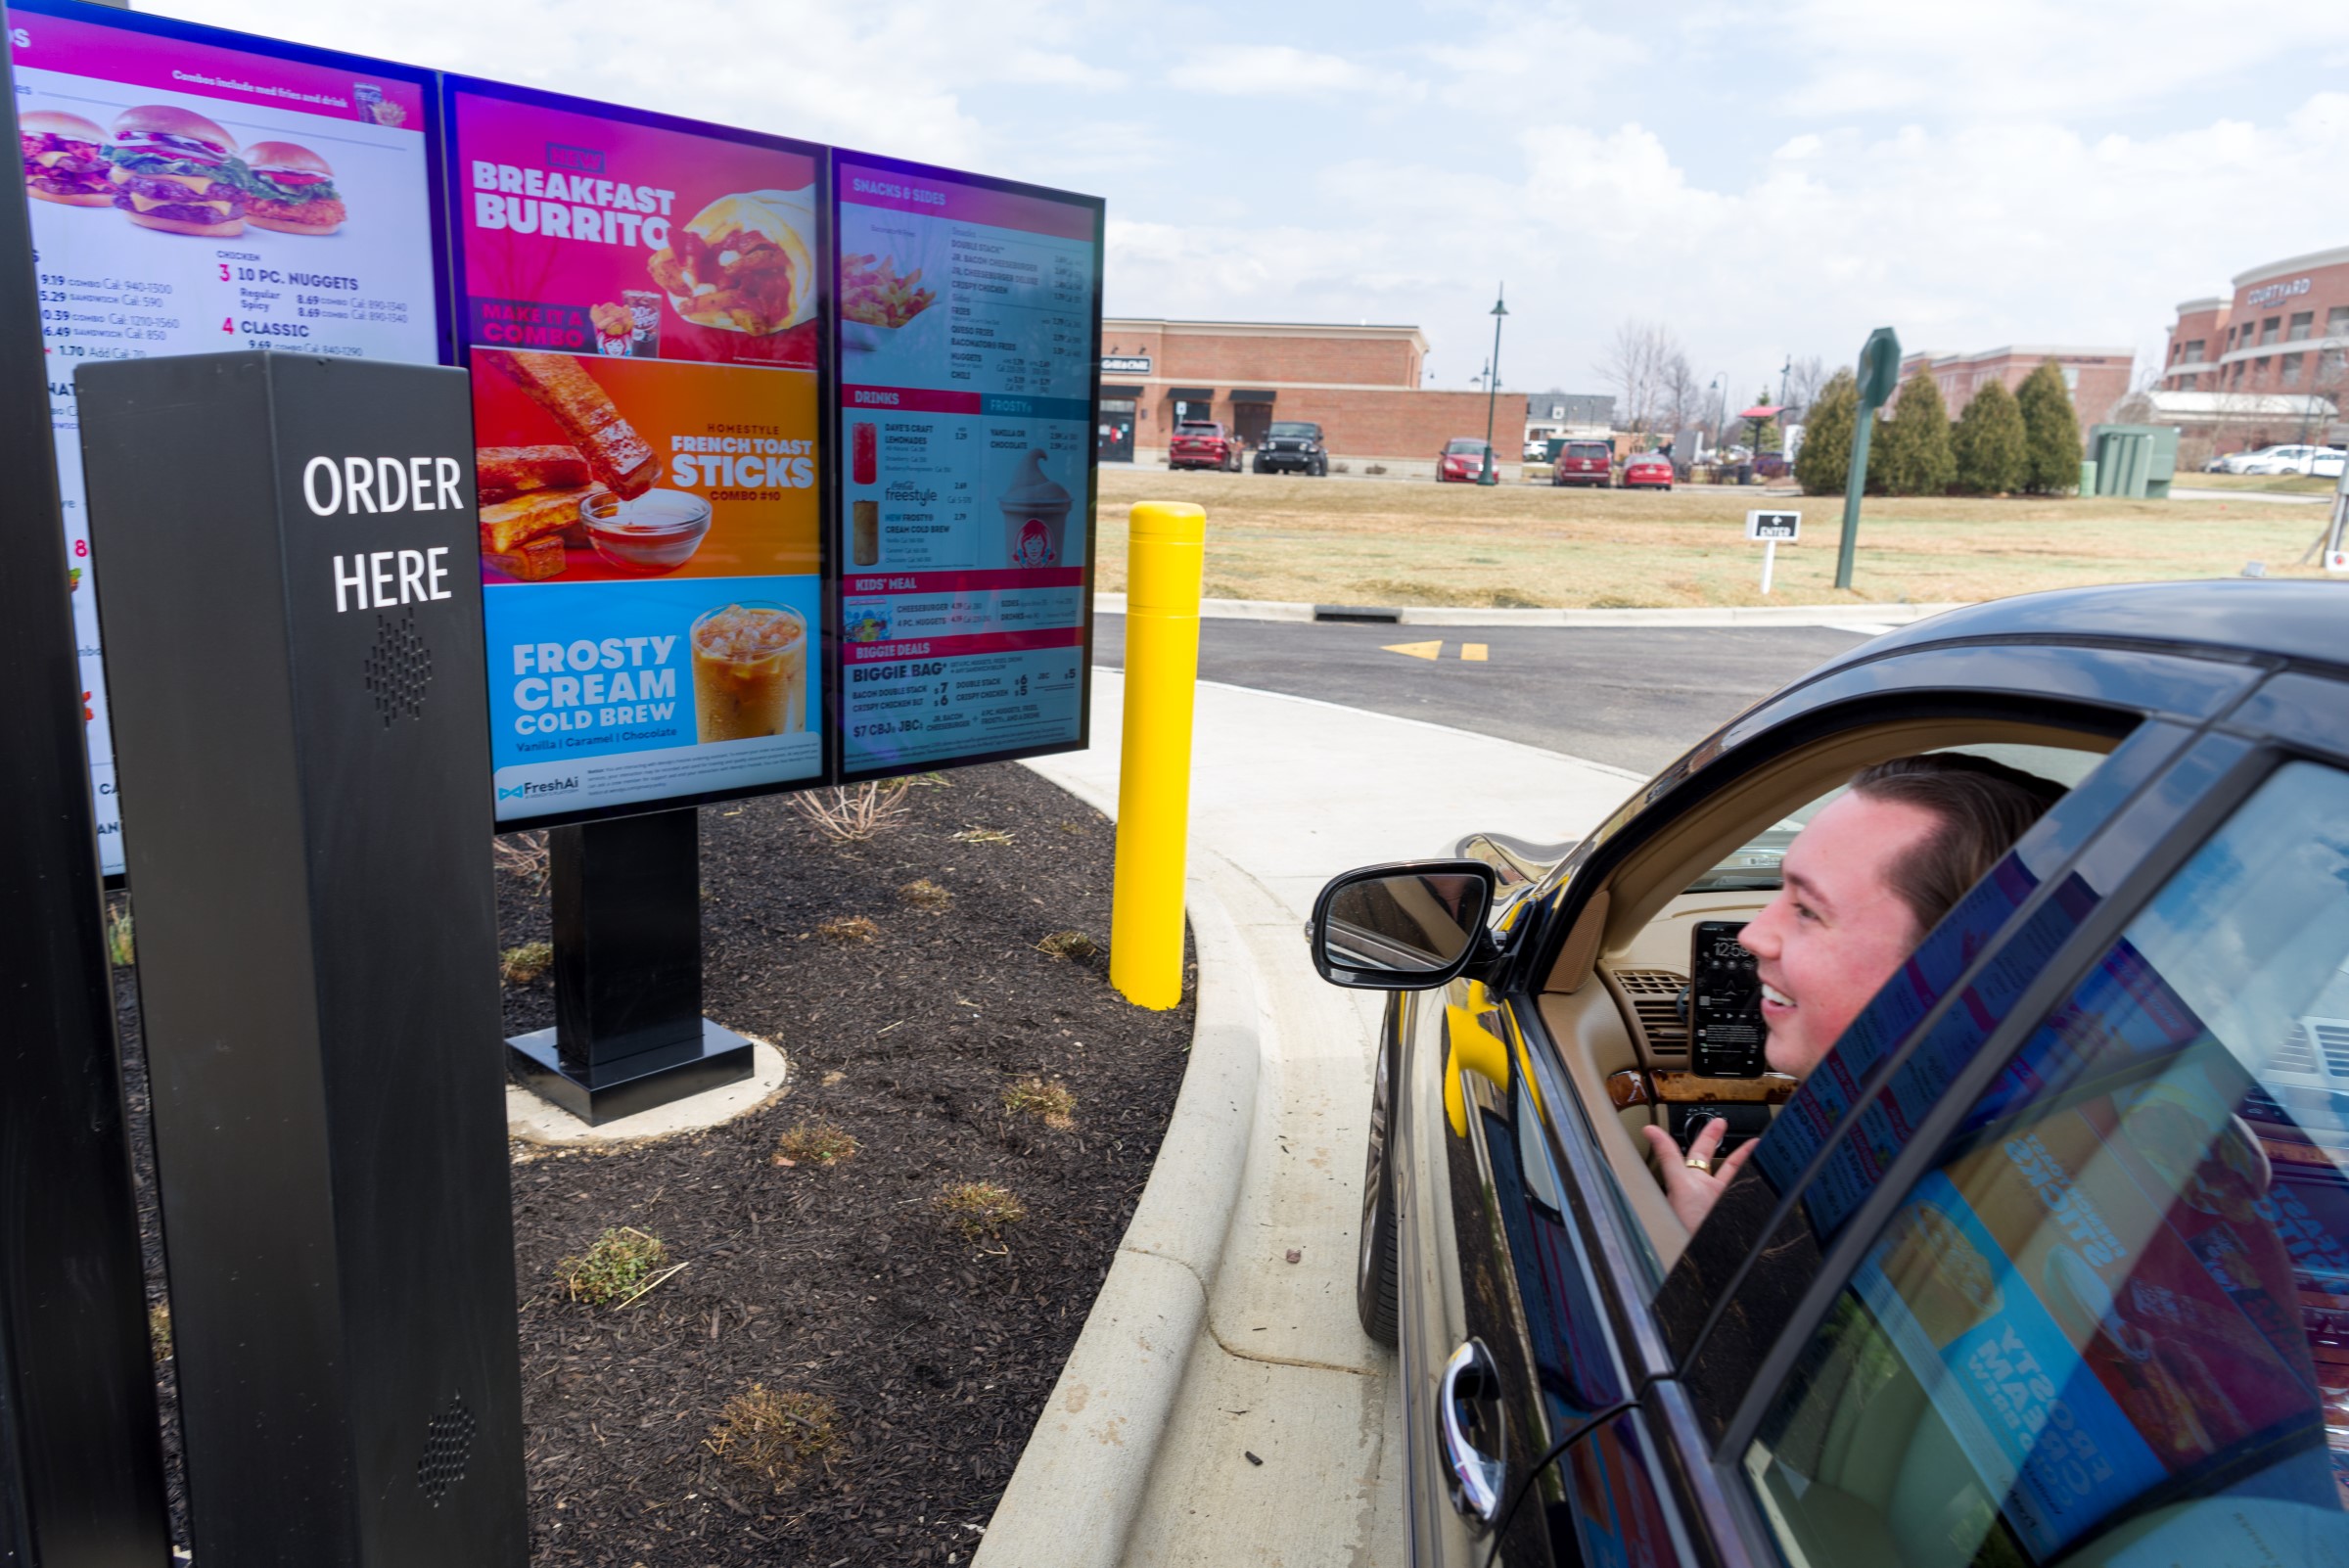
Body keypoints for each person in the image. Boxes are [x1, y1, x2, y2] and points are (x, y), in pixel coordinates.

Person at [1641, 753, 2064, 1230]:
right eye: (1780, 892)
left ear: (1961, 968)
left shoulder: (1979, 1212)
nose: (1752, 935)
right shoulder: (1908, 1140)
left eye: (1807, 909)